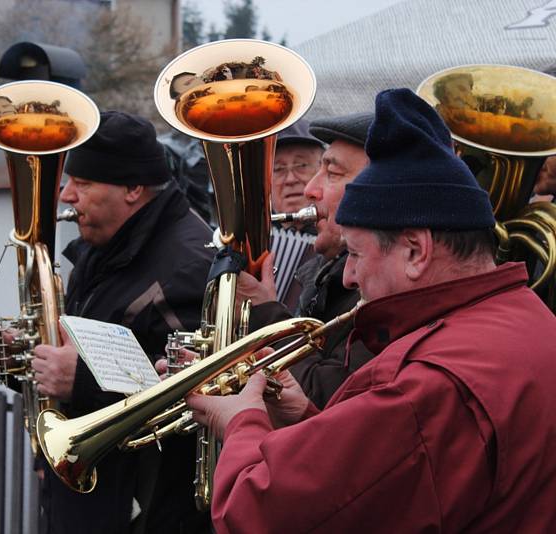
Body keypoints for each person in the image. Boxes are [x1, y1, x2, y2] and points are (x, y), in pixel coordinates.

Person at [187, 88, 556, 533]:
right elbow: (409, 477)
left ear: (416, 250)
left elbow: (258, 513)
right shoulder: (530, 316)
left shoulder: (429, 384)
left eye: (357, 255)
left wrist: (241, 421)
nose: (348, 277)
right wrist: (308, 418)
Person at [0, 111, 214, 534]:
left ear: (133, 189)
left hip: (146, 509)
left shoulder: (189, 263)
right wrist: (28, 359)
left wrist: (81, 380)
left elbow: (195, 391)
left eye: (82, 184)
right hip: (94, 496)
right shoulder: (102, 248)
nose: (66, 196)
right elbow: (85, 348)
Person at [240, 111, 374, 408]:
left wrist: (267, 316)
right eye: (277, 170)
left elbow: (324, 397)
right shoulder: (326, 264)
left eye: (331, 172)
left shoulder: (372, 287)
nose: (304, 188)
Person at [268, 120, 324, 311]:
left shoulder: (343, 243)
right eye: (278, 169)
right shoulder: (250, 244)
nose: (291, 179)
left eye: (301, 165)